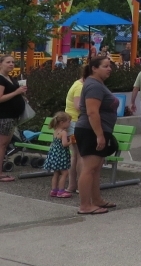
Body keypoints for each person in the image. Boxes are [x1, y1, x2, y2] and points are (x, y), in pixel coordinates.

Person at [75, 56, 121, 215]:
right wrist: (100, 135)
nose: (109, 69)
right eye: (105, 66)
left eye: (110, 66)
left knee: (95, 168)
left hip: (96, 130)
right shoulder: (94, 85)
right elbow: (92, 112)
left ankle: (96, 200)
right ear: (94, 68)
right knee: (89, 168)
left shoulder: (97, 84)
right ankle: (85, 205)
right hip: (91, 131)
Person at [0, 55, 29, 183]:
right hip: (4, 116)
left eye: (13, 62)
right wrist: (16, 92)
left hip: (12, 116)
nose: (11, 64)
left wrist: (21, 96)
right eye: (8, 62)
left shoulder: (10, 78)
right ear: (1, 64)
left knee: (4, 145)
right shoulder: (1, 79)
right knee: (2, 146)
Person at [43, 112, 73, 198]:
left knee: (56, 173)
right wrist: (71, 141)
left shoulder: (55, 131)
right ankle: (61, 191)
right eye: (68, 122)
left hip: (54, 154)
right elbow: (64, 144)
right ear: (62, 122)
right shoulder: (63, 132)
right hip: (61, 155)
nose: (69, 124)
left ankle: (53, 190)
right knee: (64, 173)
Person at [63, 75, 85, 193]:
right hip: (76, 122)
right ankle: (80, 184)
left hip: (71, 123)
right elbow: (78, 106)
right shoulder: (80, 87)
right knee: (80, 155)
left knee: (74, 155)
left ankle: (72, 184)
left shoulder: (76, 84)